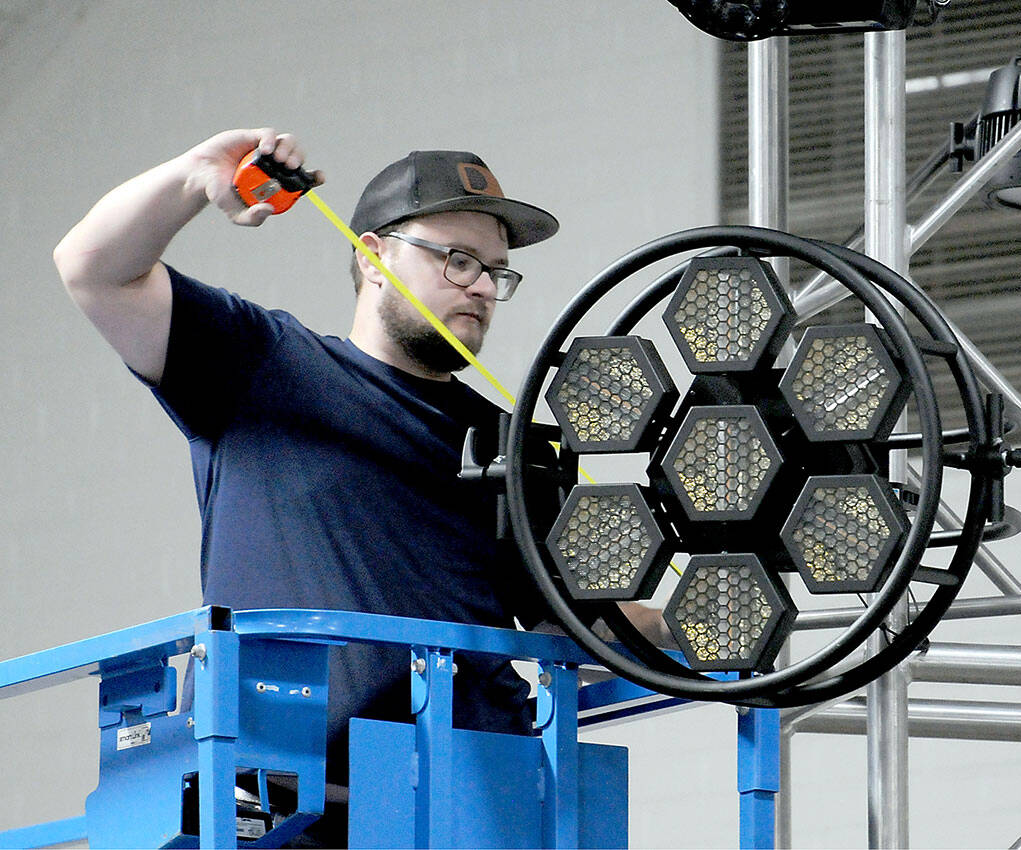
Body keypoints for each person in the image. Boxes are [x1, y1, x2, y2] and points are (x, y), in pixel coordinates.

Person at [53, 128, 667, 830]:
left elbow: (584, 622)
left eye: (496, 272)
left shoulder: (512, 444)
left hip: (466, 797)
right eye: (457, 258)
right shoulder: (265, 367)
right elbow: (92, 268)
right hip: (275, 799)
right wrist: (195, 176)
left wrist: (714, 618)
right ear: (373, 255)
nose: (480, 287)